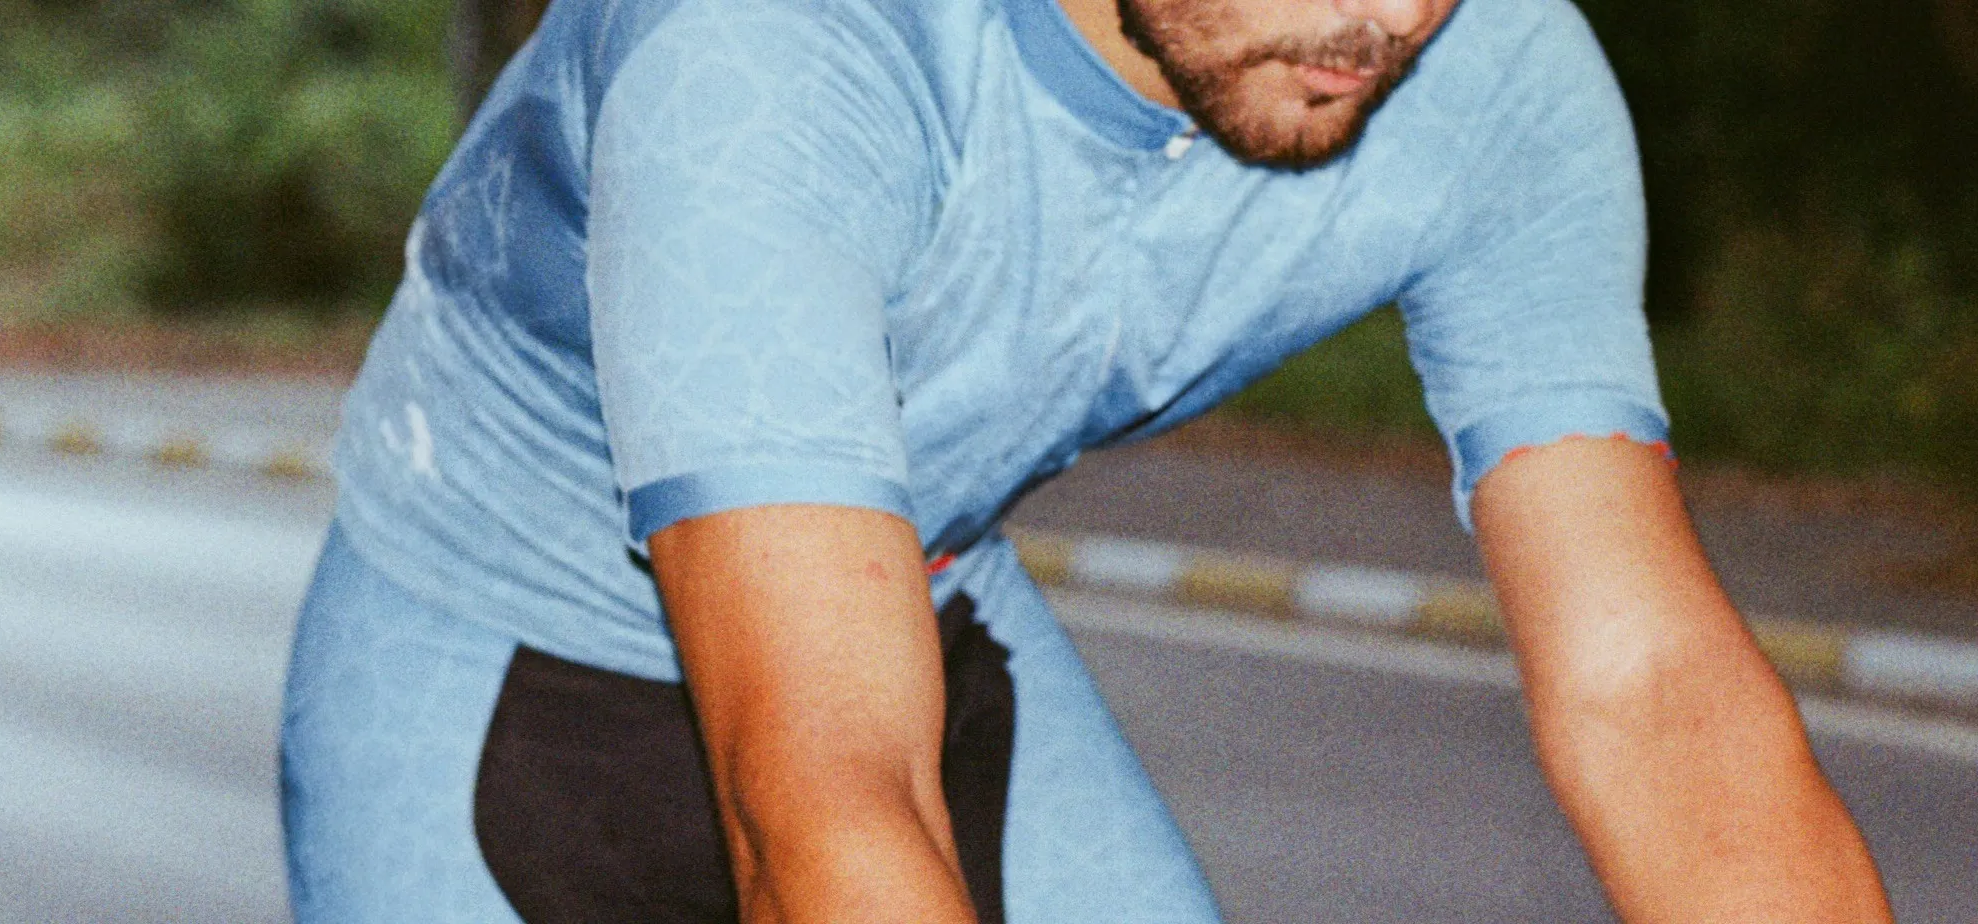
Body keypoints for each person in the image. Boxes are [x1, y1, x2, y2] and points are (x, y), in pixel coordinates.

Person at [279, 0, 1895, 918]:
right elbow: (820, 794)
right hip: (490, 645)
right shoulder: (775, 48)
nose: (1396, 16)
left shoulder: (1496, 79)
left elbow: (1651, 695)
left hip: (913, 598)